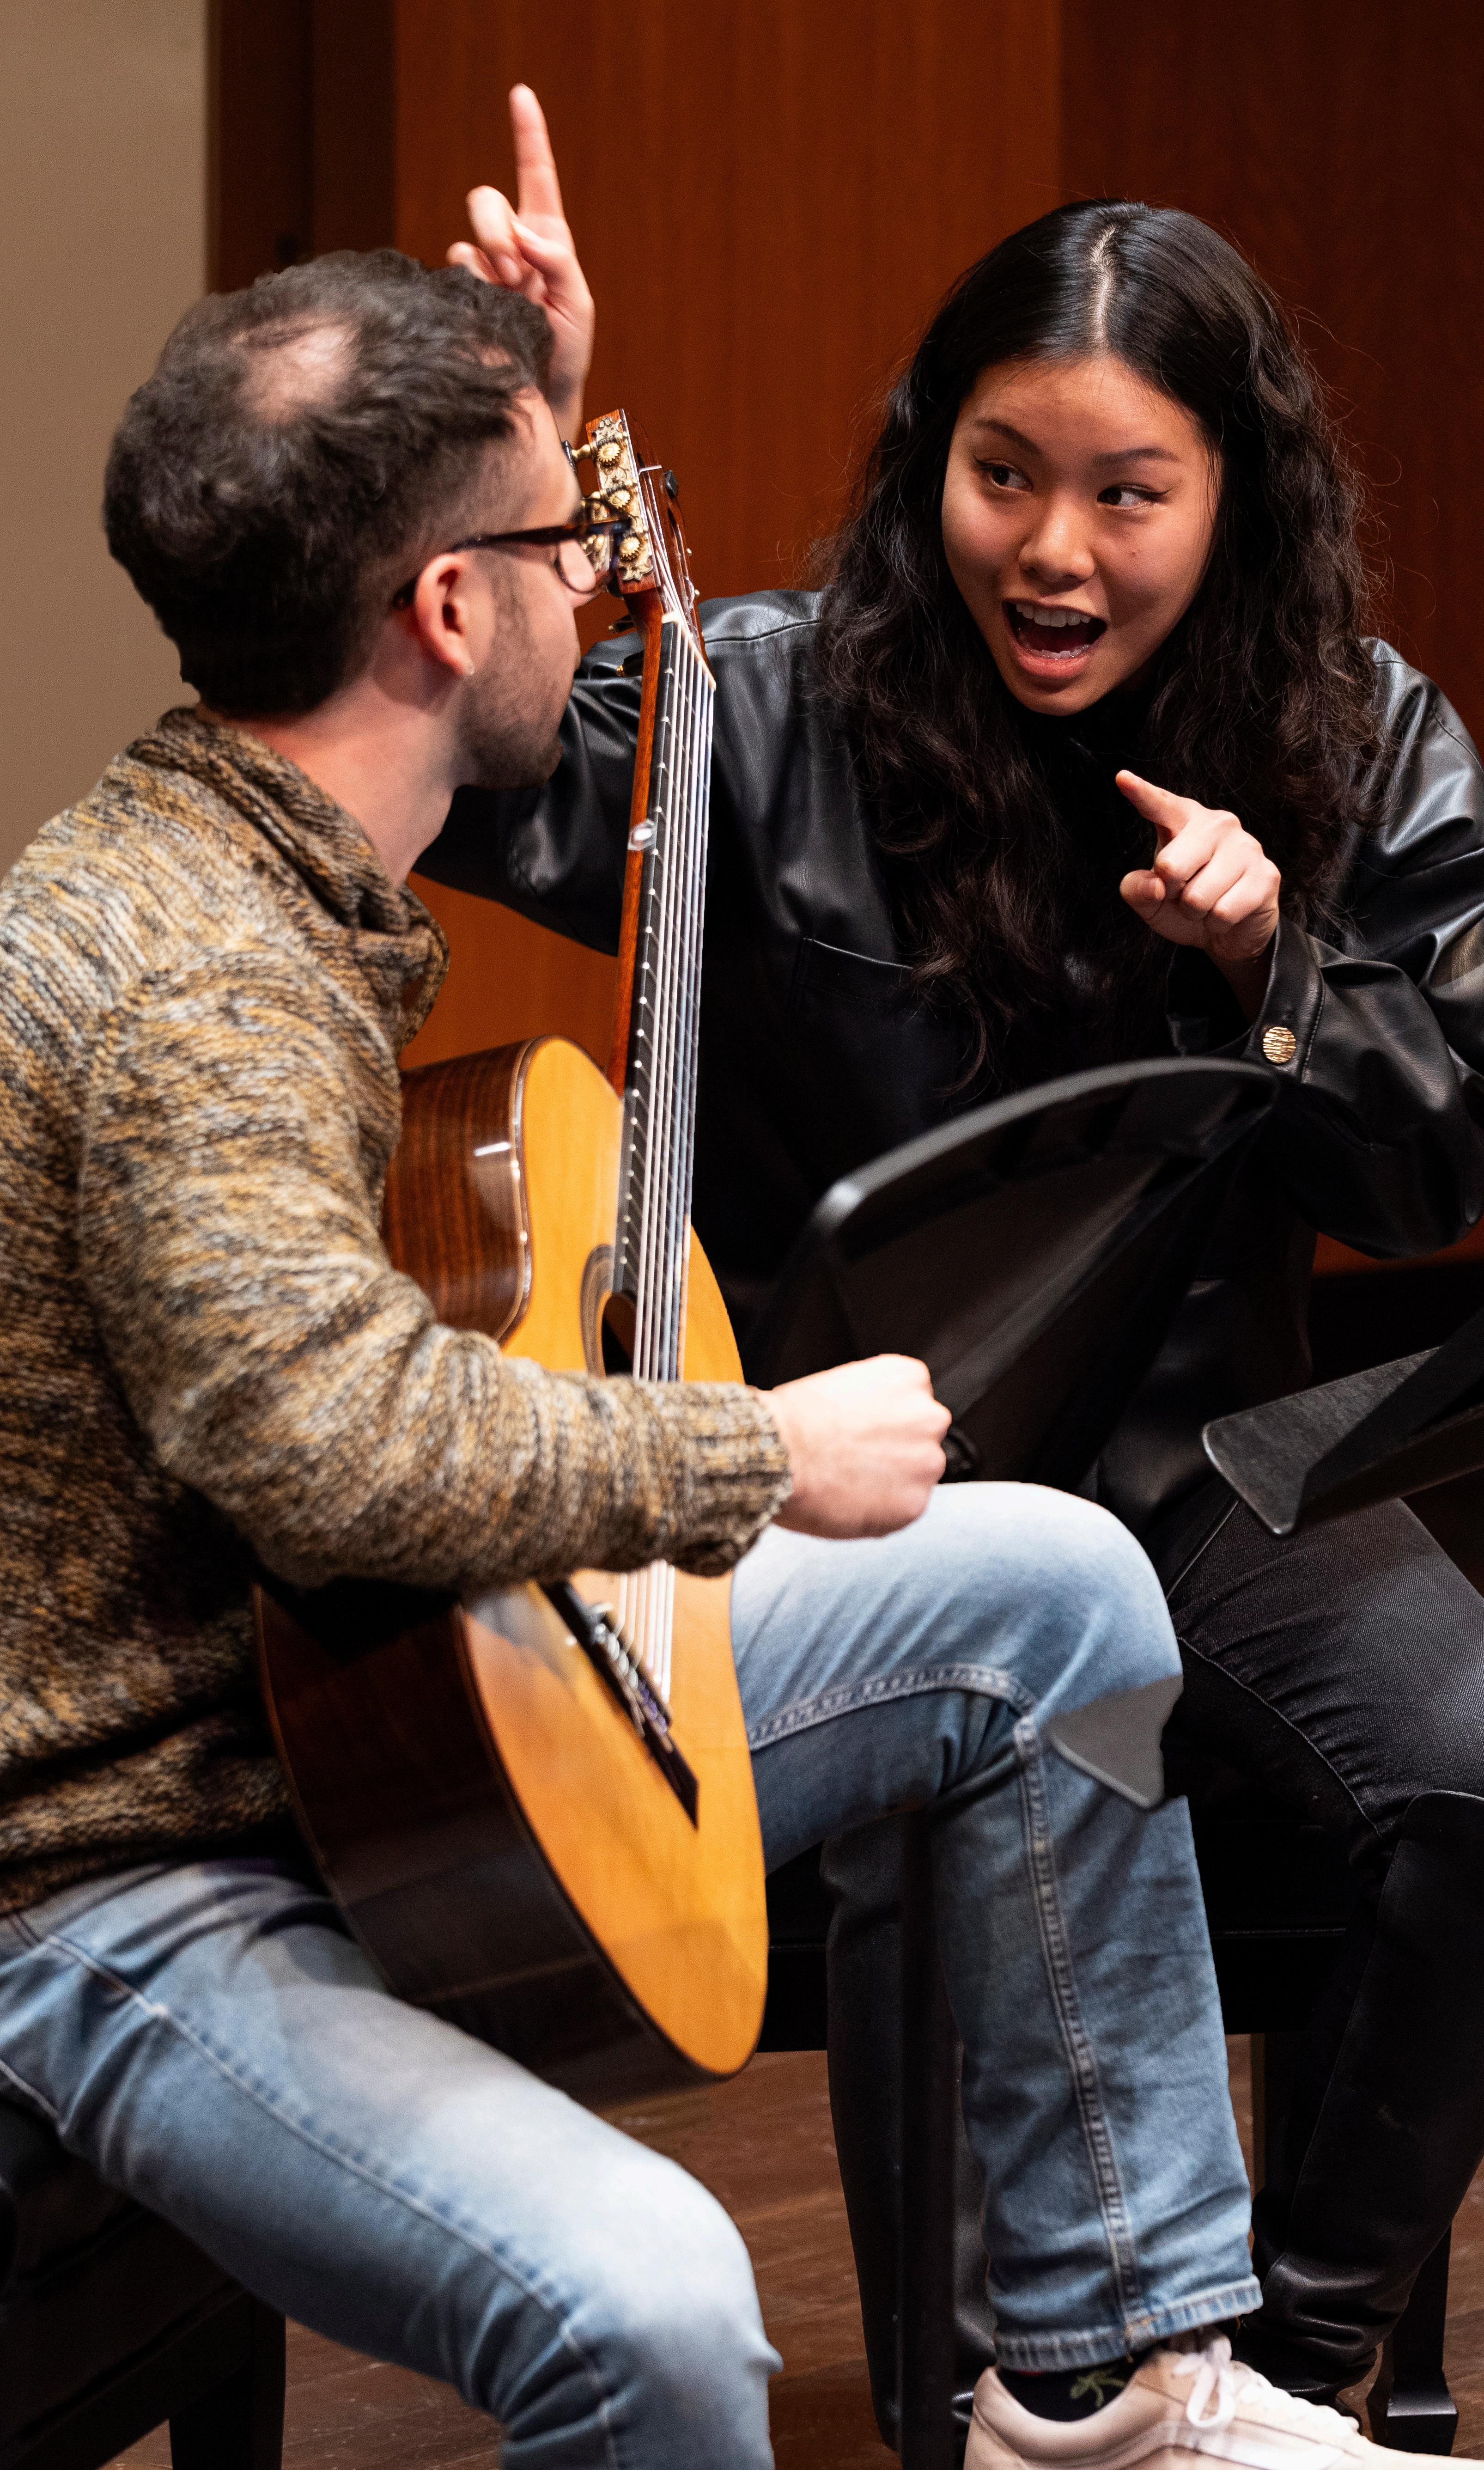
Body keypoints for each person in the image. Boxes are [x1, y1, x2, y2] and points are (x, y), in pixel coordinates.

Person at [2, 237, 1409, 2470]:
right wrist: (745, 1451)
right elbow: (322, 1440)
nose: (607, 577)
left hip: (314, 1702)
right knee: (657, 2307)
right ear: (445, 608)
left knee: (1050, 1589)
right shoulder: (209, 988)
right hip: (130, 1857)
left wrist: (526, 408)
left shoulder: (245, 865)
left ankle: (1112, 2392)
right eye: (561, 537)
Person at [425, 89, 1484, 2421]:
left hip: (1208, 1460)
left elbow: (1437, 1174)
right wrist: (521, 442)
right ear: (933, 462)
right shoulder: (756, 702)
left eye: (1127, 492)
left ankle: (1276, 2367)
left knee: (1472, 1755)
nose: (1053, 549)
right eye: (1003, 473)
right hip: (851, 1482)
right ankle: (995, 2400)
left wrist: (1280, 965)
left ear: (1233, 497)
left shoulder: (1359, 731)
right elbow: (477, 771)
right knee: (965, 1767)